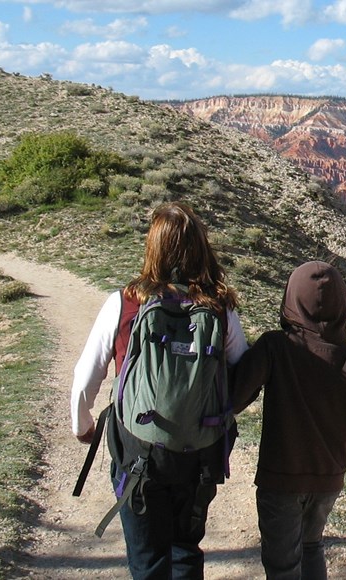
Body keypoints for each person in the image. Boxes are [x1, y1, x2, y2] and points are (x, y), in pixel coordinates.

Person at [70, 202, 247, 579]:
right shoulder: (219, 308)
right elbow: (241, 370)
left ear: (152, 248)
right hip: (198, 456)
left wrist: (82, 426)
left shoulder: (124, 303)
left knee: (148, 558)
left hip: (138, 455)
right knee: (185, 552)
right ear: (201, 247)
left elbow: (86, 378)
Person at [231, 261, 346, 580]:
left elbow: (233, 398)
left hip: (282, 478)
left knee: (283, 563)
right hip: (328, 479)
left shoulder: (276, 346)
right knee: (311, 546)